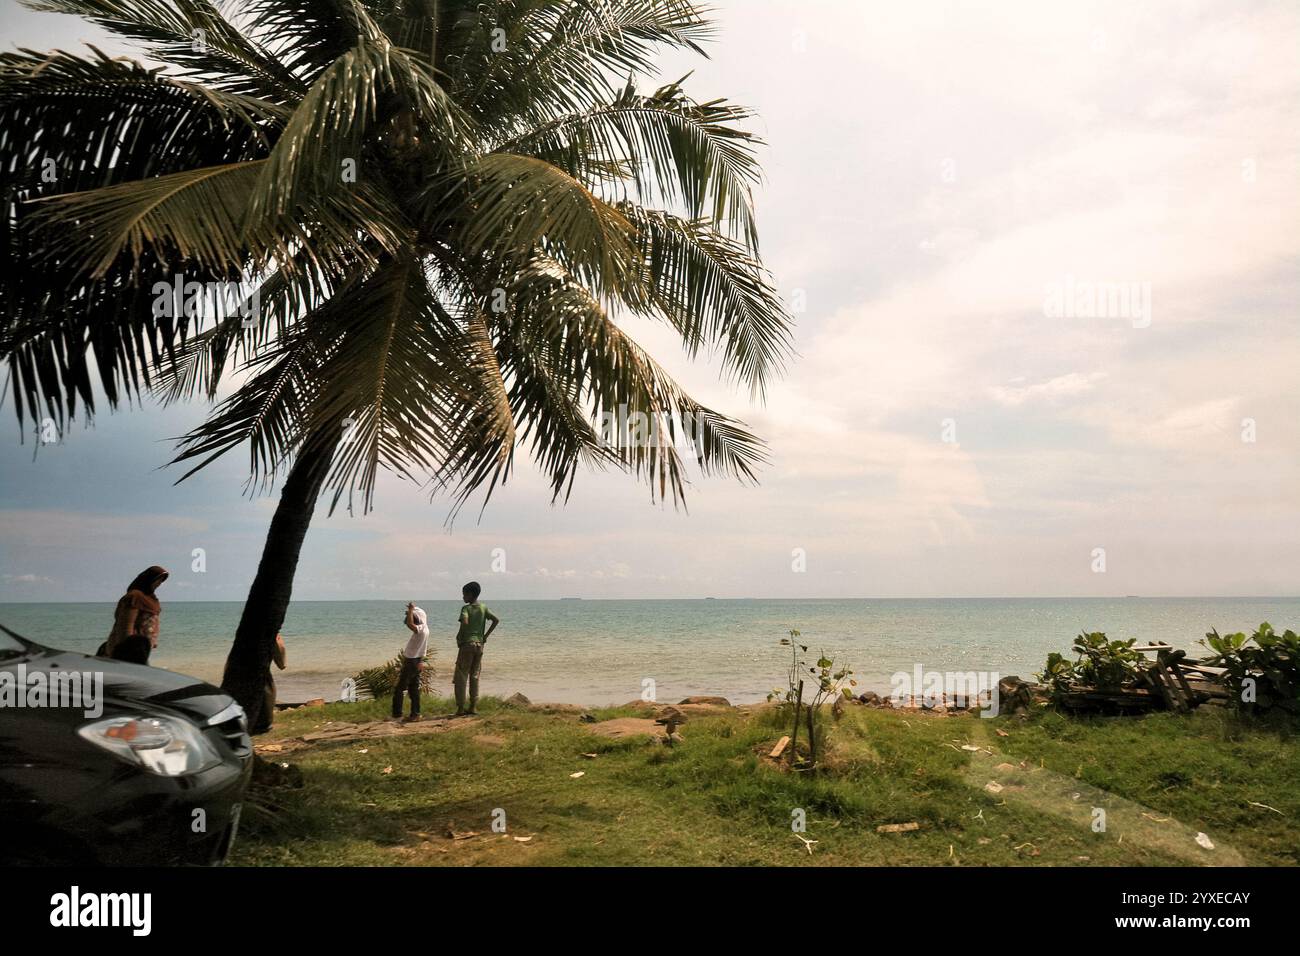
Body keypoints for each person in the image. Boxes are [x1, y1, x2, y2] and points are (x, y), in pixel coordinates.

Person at [97, 566, 168, 665]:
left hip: (141, 649)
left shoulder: (151, 599)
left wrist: (152, 641)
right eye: (158, 580)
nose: (159, 584)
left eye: (161, 581)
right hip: (129, 650)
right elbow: (126, 625)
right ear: (149, 579)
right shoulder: (135, 597)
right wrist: (125, 649)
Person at [453, 581, 499, 716]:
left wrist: (461, 635)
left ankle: (461, 708)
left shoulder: (465, 609)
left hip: (467, 645)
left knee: (461, 676)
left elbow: (465, 622)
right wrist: (485, 636)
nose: (463, 597)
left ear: (470, 594)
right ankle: (473, 707)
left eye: (464, 594)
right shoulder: (483, 608)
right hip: (479, 645)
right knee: (474, 676)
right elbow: (496, 620)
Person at [393, 602, 429, 723]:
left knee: (399, 689)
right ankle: (415, 714)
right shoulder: (425, 629)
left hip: (411, 661)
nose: (409, 616)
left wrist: (411, 610)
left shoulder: (420, 629)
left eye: (412, 615)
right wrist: (421, 661)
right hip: (417, 661)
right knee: (413, 689)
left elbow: (409, 624)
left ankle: (397, 715)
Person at [253, 633, 288, 736]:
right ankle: (263, 724)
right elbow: (281, 659)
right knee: (267, 692)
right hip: (261, 671)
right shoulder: (270, 630)